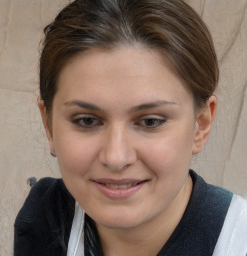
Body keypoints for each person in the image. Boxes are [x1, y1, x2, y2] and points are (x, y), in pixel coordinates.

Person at [14, 0, 247, 255]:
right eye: (87, 120)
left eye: (150, 121)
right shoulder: (45, 219)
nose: (116, 157)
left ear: (200, 126)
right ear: (49, 126)